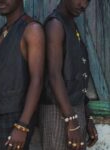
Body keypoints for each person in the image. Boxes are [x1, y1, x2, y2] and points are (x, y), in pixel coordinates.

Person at [0, 0, 45, 149]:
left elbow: (37, 81)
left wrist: (22, 126)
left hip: (13, 121)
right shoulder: (1, 32)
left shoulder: (32, 29)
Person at [39, 0, 98, 150]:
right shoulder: (55, 25)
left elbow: (76, 77)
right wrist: (71, 121)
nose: (84, 5)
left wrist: (87, 116)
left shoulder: (70, 24)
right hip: (57, 111)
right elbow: (54, 75)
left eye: (87, 1)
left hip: (72, 110)